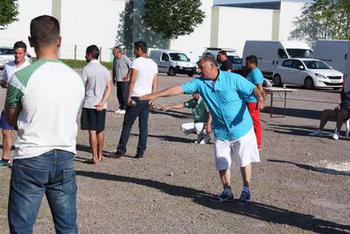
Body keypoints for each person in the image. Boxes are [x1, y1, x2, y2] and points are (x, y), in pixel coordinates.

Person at [141, 55, 265, 204]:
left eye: (202, 67)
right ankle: (227, 191)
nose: (199, 70)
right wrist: (155, 95)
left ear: (213, 67)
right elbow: (178, 89)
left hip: (241, 128)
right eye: (199, 67)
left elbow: (253, 89)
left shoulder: (232, 78)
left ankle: (246, 190)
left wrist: (260, 99)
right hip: (221, 131)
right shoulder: (200, 83)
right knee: (222, 161)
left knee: (243, 160)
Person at [5, 15, 85, 233]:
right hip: (65, 154)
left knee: (22, 226)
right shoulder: (75, 78)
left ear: (30, 42)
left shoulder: (21, 77)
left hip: (31, 156)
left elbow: (10, 118)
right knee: (67, 226)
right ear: (59, 40)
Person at [115, 41, 159, 159]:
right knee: (143, 126)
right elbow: (155, 84)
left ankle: (121, 149)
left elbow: (132, 81)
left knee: (127, 124)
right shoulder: (153, 64)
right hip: (147, 98)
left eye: (135, 49)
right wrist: (152, 98)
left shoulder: (136, 62)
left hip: (136, 97)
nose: (134, 52)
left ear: (139, 49)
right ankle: (140, 152)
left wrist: (128, 97)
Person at [0, 41, 30, 168]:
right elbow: (3, 81)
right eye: (15, 53)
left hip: (23, 106)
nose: (17, 55)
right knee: (6, 131)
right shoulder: (8, 66)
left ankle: (23, 160)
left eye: (20, 53)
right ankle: (5, 158)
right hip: (9, 105)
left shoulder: (29, 68)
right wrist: (3, 83)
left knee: (24, 133)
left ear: (25, 53)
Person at [81, 45, 112, 164]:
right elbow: (109, 88)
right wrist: (102, 102)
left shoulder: (86, 69)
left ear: (89, 54)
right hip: (101, 105)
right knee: (100, 130)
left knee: (92, 131)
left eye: (86, 54)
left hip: (90, 103)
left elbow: (82, 85)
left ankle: (94, 157)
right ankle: (100, 155)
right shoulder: (104, 70)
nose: (85, 56)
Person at [244, 55, 265, 150]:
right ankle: (252, 142)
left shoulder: (255, 73)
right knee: (250, 122)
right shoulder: (252, 72)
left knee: (255, 122)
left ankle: (257, 145)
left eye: (247, 63)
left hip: (252, 101)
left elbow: (259, 87)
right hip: (249, 101)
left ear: (253, 63)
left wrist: (261, 100)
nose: (246, 64)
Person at [112, 46, 132, 114]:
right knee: (119, 95)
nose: (112, 53)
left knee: (124, 95)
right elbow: (114, 69)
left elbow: (131, 67)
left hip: (125, 81)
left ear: (119, 52)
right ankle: (121, 107)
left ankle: (126, 108)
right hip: (118, 80)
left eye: (114, 52)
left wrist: (127, 76)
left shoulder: (125, 58)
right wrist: (113, 78)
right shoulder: (115, 59)